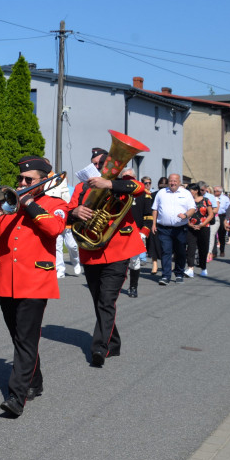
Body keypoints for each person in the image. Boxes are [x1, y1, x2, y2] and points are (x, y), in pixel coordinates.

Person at [0, 156, 67, 417]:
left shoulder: (55, 203)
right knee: (19, 337)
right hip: (6, 279)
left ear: (44, 181)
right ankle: (35, 382)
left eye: (29, 180)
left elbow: (53, 229)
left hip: (35, 280)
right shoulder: (8, 204)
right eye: (20, 179)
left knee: (27, 339)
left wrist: (27, 201)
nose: (22, 183)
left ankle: (16, 396)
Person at [69, 147, 146, 366]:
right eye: (95, 163)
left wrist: (110, 184)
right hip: (91, 251)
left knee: (106, 300)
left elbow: (139, 189)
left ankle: (99, 349)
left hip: (119, 250)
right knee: (100, 301)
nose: (98, 166)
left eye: (102, 162)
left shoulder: (124, 181)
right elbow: (68, 212)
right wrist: (75, 213)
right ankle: (113, 342)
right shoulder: (81, 188)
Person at [152, 174, 196, 285]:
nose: (173, 183)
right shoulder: (161, 193)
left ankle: (179, 274)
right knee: (166, 251)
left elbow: (192, 208)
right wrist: (153, 224)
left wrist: (186, 215)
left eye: (175, 181)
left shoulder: (186, 193)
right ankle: (166, 276)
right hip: (164, 228)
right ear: (168, 182)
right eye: (171, 181)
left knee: (180, 251)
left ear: (179, 181)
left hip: (180, 228)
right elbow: (155, 209)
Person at [122, 169, 153, 297]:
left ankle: (133, 287)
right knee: (118, 262)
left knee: (135, 262)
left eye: (129, 178)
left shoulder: (144, 194)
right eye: (124, 178)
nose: (127, 181)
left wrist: (143, 232)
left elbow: (148, 216)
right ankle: (116, 286)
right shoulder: (117, 192)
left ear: (135, 178)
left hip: (135, 232)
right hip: (117, 233)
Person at [46, 177, 81, 278]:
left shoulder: (71, 189)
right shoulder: (51, 191)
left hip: (68, 224)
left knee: (72, 246)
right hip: (57, 223)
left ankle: (75, 261)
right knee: (58, 246)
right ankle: (60, 269)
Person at [185, 182, 215, 277]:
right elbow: (184, 213)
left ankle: (203, 267)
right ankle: (190, 268)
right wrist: (189, 224)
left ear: (196, 190)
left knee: (203, 248)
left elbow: (210, 214)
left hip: (204, 227)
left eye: (190, 191)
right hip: (191, 227)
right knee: (190, 248)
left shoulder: (206, 200)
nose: (189, 193)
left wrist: (203, 224)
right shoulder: (187, 201)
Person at [213, 186, 230, 259]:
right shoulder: (212, 197)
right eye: (214, 191)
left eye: (216, 191)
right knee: (213, 234)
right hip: (213, 216)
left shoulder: (225, 198)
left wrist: (227, 220)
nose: (215, 192)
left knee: (221, 234)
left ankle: (222, 250)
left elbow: (228, 210)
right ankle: (214, 252)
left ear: (220, 192)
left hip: (222, 216)